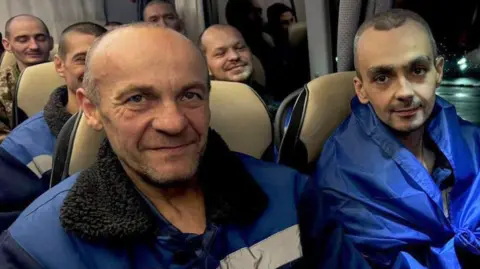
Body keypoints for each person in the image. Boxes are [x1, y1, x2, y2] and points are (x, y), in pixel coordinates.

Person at [0, 23, 309, 268]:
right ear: (92, 109)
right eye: (137, 99)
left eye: (190, 95)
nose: (173, 123)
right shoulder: (37, 249)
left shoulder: (292, 197)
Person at [301, 9, 480, 268]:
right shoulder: (342, 176)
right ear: (361, 89)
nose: (404, 92)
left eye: (417, 70)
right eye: (383, 78)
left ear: (438, 72)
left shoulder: (469, 139)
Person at [0, 22, 106, 231]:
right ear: (59, 66)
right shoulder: (22, 148)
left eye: (105, 59)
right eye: (82, 60)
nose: (96, 70)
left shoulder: (140, 125)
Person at [0, 15, 53, 142]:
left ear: (50, 42)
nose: (34, 46)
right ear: (7, 45)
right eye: (23, 40)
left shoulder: (70, 76)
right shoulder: (2, 85)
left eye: (40, 39)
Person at [198, 25, 266, 99]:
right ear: (205, 65)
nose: (234, 56)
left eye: (240, 48)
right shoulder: (204, 105)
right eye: (221, 53)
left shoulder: (269, 98)